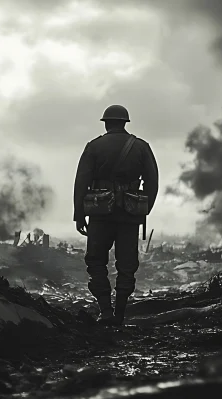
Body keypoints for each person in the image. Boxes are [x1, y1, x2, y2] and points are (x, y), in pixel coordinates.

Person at [72, 105, 159, 326]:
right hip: (129, 215)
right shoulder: (141, 147)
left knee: (96, 261)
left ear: (106, 123)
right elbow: (152, 181)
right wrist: (143, 207)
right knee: (127, 264)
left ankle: (106, 311)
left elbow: (81, 182)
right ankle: (120, 313)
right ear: (125, 122)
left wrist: (79, 214)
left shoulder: (94, 147)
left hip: (100, 214)